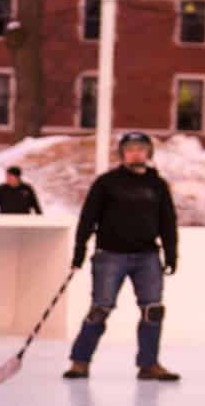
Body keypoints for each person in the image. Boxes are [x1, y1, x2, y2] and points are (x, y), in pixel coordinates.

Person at [64, 131, 181, 381]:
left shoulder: (157, 185)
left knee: (153, 310)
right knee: (100, 309)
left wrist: (172, 254)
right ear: (122, 154)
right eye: (130, 149)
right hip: (110, 256)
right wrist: (79, 249)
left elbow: (168, 222)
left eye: (140, 148)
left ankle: (149, 365)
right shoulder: (107, 183)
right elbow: (88, 218)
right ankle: (80, 362)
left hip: (147, 257)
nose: (135, 153)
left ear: (148, 153)